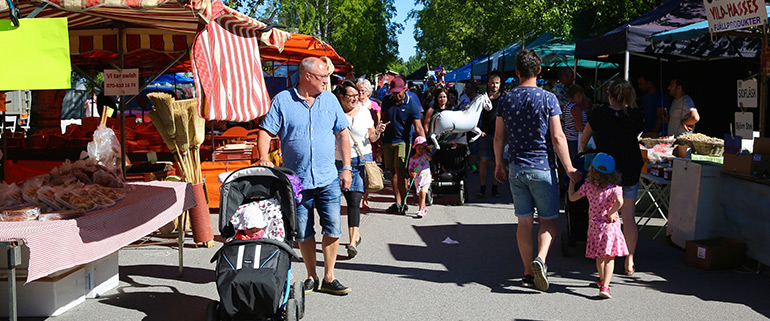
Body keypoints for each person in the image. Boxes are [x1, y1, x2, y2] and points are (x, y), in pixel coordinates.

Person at [258, 57, 353, 295]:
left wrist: (347, 168)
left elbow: (342, 135)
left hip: (328, 178)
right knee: (303, 231)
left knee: (332, 229)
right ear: (307, 76)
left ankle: (329, 276)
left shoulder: (330, 100)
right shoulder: (282, 100)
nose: (326, 82)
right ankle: (312, 275)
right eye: (322, 77)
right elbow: (266, 131)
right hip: (296, 181)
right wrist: (263, 157)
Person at [494, 49, 581, 291]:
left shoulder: (506, 99)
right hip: (542, 168)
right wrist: (570, 168)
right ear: (539, 71)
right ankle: (540, 260)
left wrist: (499, 164)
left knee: (523, 223)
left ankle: (526, 273)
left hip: (516, 168)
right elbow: (557, 137)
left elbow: (499, 137)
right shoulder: (548, 99)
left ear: (518, 71)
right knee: (549, 221)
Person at [579, 79, 644, 276]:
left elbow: (584, 138)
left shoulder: (598, 114)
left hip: (604, 173)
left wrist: (584, 150)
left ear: (609, 96)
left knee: (602, 215)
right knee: (628, 217)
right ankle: (629, 259)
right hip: (629, 170)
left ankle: (603, 256)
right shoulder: (635, 115)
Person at [334, 81, 387, 259]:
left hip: (361, 160)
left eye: (357, 96)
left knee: (354, 201)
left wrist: (378, 131)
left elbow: (371, 137)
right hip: (338, 162)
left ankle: (351, 242)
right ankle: (350, 235)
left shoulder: (364, 112)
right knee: (334, 202)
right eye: (352, 97)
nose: (356, 99)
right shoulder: (335, 112)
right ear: (341, 97)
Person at [567, 152, 628, 299]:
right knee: (610, 258)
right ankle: (606, 287)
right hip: (610, 227)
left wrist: (571, 184)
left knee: (599, 257)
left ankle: (601, 280)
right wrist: (611, 212)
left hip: (595, 227)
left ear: (592, 169)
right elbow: (620, 202)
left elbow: (572, 198)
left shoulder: (588, 186)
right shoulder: (615, 188)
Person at [381, 77, 426, 214]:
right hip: (388, 140)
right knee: (392, 172)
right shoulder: (387, 101)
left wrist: (424, 144)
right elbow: (383, 118)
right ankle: (397, 202)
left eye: (398, 92)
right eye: (393, 92)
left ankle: (404, 202)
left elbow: (418, 127)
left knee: (400, 171)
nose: (396, 95)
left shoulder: (411, 104)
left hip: (403, 141)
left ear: (405, 89)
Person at [356, 78, 382, 210]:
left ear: (368, 92)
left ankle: (365, 199)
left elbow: (378, 123)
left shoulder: (374, 106)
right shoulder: (353, 104)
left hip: (369, 141)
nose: (360, 94)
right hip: (356, 140)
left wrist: (378, 135)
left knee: (367, 170)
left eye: (362, 91)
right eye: (358, 91)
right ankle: (357, 196)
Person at [477, 71, 503, 198]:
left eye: (497, 83)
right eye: (492, 83)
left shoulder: (503, 98)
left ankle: (494, 187)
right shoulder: (483, 98)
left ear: (500, 84)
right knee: (483, 161)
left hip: (499, 134)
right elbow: (476, 115)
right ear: (488, 84)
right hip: (485, 134)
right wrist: (478, 130)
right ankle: (482, 187)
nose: (494, 85)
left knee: (496, 162)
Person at [408, 136, 432, 218]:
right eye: (419, 148)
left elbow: (430, 158)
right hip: (418, 180)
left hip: (426, 178)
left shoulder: (425, 156)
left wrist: (426, 153)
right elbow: (410, 168)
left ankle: (420, 210)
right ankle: (424, 208)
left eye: (422, 148)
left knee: (422, 193)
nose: (421, 150)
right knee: (420, 195)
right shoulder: (412, 159)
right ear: (415, 148)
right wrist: (412, 173)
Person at [564, 84, 587, 162]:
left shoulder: (567, 106)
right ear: (578, 95)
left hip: (568, 139)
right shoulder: (575, 108)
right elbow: (579, 127)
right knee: (577, 163)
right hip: (575, 141)